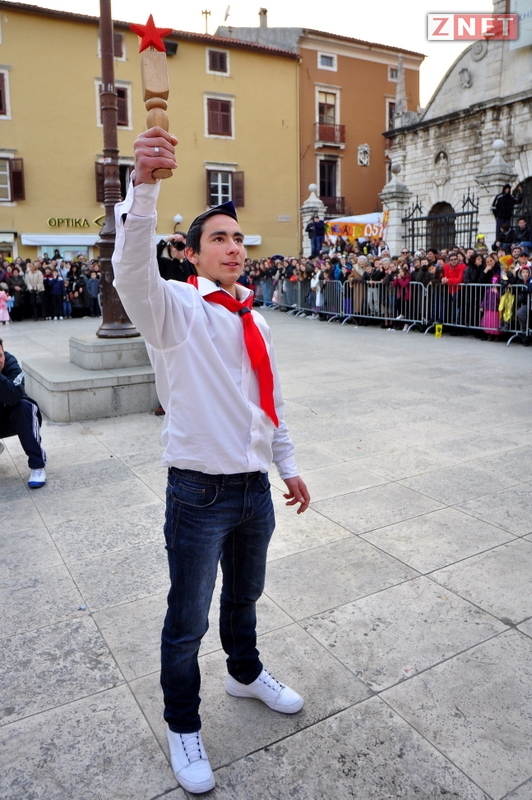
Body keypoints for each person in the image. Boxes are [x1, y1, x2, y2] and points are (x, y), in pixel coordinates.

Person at [112, 126, 310, 795]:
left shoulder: (257, 318)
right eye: (219, 238)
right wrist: (144, 188)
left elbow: (268, 401)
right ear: (192, 254)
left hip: (254, 490)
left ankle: (244, 673)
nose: (234, 246)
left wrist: (287, 465)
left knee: (245, 597)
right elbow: (131, 274)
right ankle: (182, 725)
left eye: (238, 238)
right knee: (188, 618)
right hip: (198, 493)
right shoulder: (176, 309)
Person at [0, 339, 46, 487]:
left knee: (24, 406)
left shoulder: (11, 364)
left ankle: (37, 465)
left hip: (11, 418)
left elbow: (13, 396)